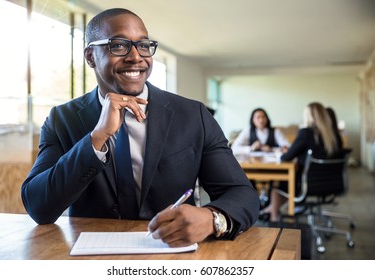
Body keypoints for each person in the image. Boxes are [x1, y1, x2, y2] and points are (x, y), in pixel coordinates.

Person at [21, 8, 259, 247]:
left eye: (143, 45)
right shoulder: (62, 118)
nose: (136, 56)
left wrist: (211, 219)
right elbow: (39, 207)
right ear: (90, 56)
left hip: (173, 252)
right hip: (91, 255)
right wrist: (97, 137)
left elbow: (243, 195)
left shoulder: (193, 115)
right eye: (119, 45)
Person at [260, 102, 343, 222]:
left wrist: (284, 153)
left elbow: (286, 158)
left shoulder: (306, 132)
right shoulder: (334, 135)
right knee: (284, 183)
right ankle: (270, 210)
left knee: (277, 183)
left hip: (306, 184)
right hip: (332, 183)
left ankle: (273, 216)